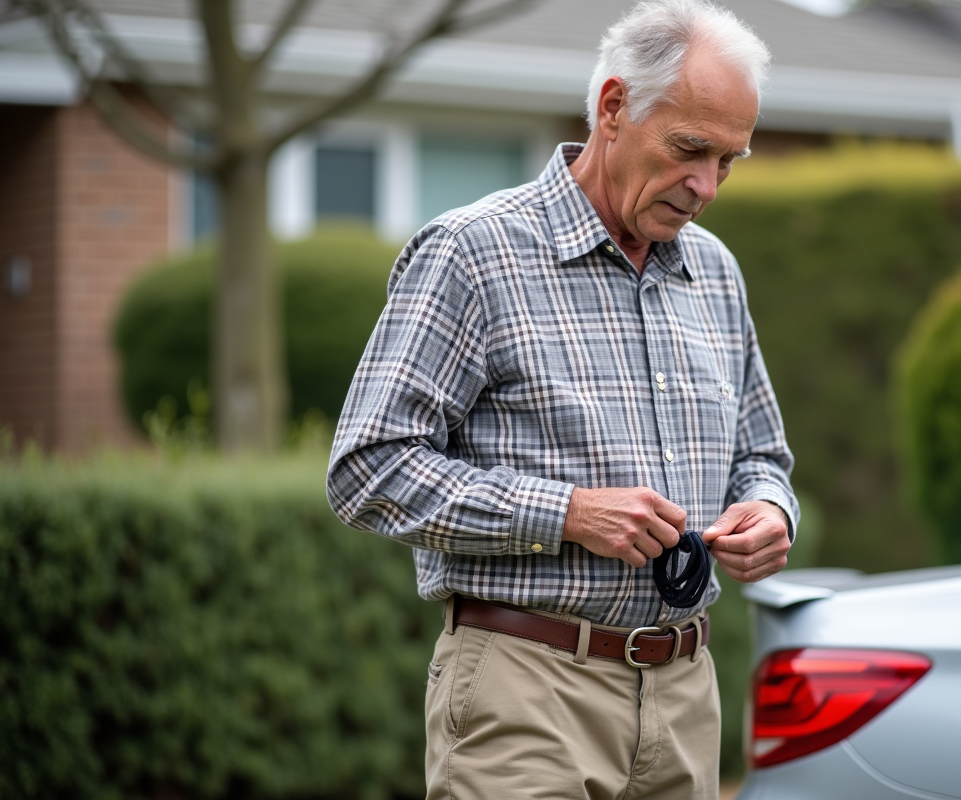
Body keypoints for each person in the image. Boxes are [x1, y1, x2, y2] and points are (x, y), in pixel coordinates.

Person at [327, 1, 799, 797]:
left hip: (687, 697)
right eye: (690, 149)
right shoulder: (473, 253)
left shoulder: (715, 272)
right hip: (527, 687)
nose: (706, 186)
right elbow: (367, 469)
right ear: (614, 107)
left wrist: (771, 510)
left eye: (728, 160)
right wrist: (569, 513)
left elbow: (762, 455)